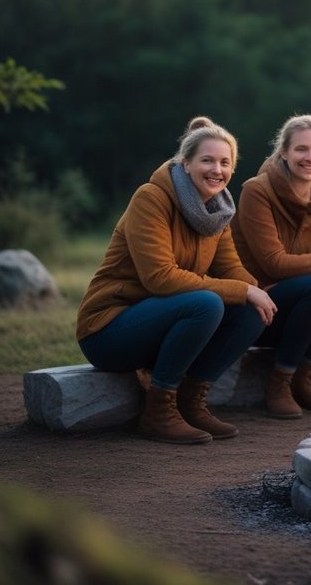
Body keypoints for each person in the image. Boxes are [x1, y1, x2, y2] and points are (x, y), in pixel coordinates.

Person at [76, 116, 276, 444]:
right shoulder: (151, 198)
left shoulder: (218, 211)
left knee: (251, 309)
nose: (217, 169)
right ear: (185, 163)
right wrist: (243, 290)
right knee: (207, 303)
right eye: (207, 160)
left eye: (225, 162)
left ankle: (190, 401)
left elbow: (232, 268)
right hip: (110, 330)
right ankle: (158, 412)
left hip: (161, 323)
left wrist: (255, 290)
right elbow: (160, 279)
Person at [231, 115, 311, 419]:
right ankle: (279, 383)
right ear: (283, 152)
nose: (310, 158)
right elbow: (271, 261)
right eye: (301, 149)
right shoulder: (257, 191)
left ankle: (305, 377)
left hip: (296, 301)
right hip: (256, 301)